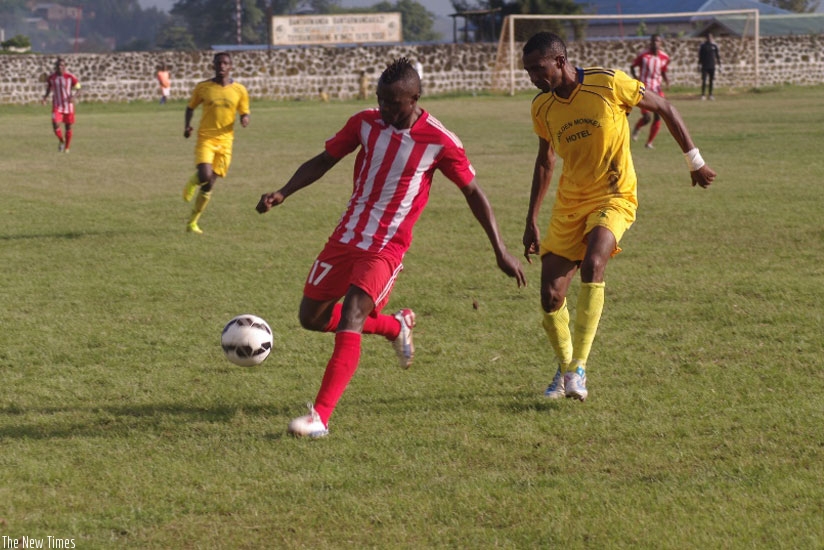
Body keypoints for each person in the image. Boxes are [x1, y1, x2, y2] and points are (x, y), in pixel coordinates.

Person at [256, 57, 526, 438]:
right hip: (346, 236)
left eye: (393, 103)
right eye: (381, 101)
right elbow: (325, 159)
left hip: (386, 247)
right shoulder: (364, 122)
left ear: (415, 97)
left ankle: (320, 417)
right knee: (311, 318)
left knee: (350, 314)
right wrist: (284, 192)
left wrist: (500, 249)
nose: (384, 109)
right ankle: (394, 325)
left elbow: (473, 193)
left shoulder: (440, 141)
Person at [521, 32, 716, 402]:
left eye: (538, 68)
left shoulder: (608, 83)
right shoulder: (541, 107)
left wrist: (695, 161)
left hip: (614, 195)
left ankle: (578, 366)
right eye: (528, 70)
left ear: (560, 62)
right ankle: (565, 371)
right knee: (550, 296)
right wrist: (531, 218)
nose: (532, 76)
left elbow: (664, 107)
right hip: (569, 204)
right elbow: (545, 160)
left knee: (595, 263)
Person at [182, 52, 250, 235]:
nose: (222, 66)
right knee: (204, 174)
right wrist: (187, 126)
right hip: (206, 138)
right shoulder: (203, 87)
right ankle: (191, 182)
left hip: (226, 142)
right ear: (213, 65)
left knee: (209, 185)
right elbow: (190, 107)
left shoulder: (239, 90)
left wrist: (245, 118)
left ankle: (192, 222)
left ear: (231, 66)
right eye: (219, 63)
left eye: (225, 63)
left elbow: (244, 111)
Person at [630, 34, 669, 149]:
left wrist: (666, 80)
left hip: (657, 89)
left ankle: (649, 143)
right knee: (647, 117)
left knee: (659, 116)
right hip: (644, 89)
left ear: (661, 43)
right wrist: (636, 79)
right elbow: (632, 66)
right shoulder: (643, 55)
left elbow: (663, 70)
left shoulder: (664, 57)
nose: (655, 43)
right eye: (653, 41)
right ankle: (637, 128)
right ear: (650, 42)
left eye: (657, 41)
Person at [41, 58, 80, 153]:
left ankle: (67, 148)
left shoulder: (70, 77)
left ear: (64, 67)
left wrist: (74, 97)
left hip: (68, 105)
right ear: (56, 67)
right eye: (58, 65)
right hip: (57, 105)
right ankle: (61, 141)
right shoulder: (51, 78)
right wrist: (45, 97)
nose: (60, 67)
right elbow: (49, 88)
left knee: (68, 127)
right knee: (55, 124)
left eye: (62, 65)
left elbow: (79, 88)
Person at [698, 34, 721, 101]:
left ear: (712, 38)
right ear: (706, 38)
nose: (709, 39)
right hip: (705, 66)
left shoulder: (714, 45)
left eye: (711, 37)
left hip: (712, 66)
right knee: (704, 80)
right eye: (708, 37)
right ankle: (703, 94)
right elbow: (700, 56)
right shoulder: (703, 46)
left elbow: (717, 56)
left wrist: (720, 65)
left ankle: (711, 94)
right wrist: (699, 64)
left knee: (711, 80)